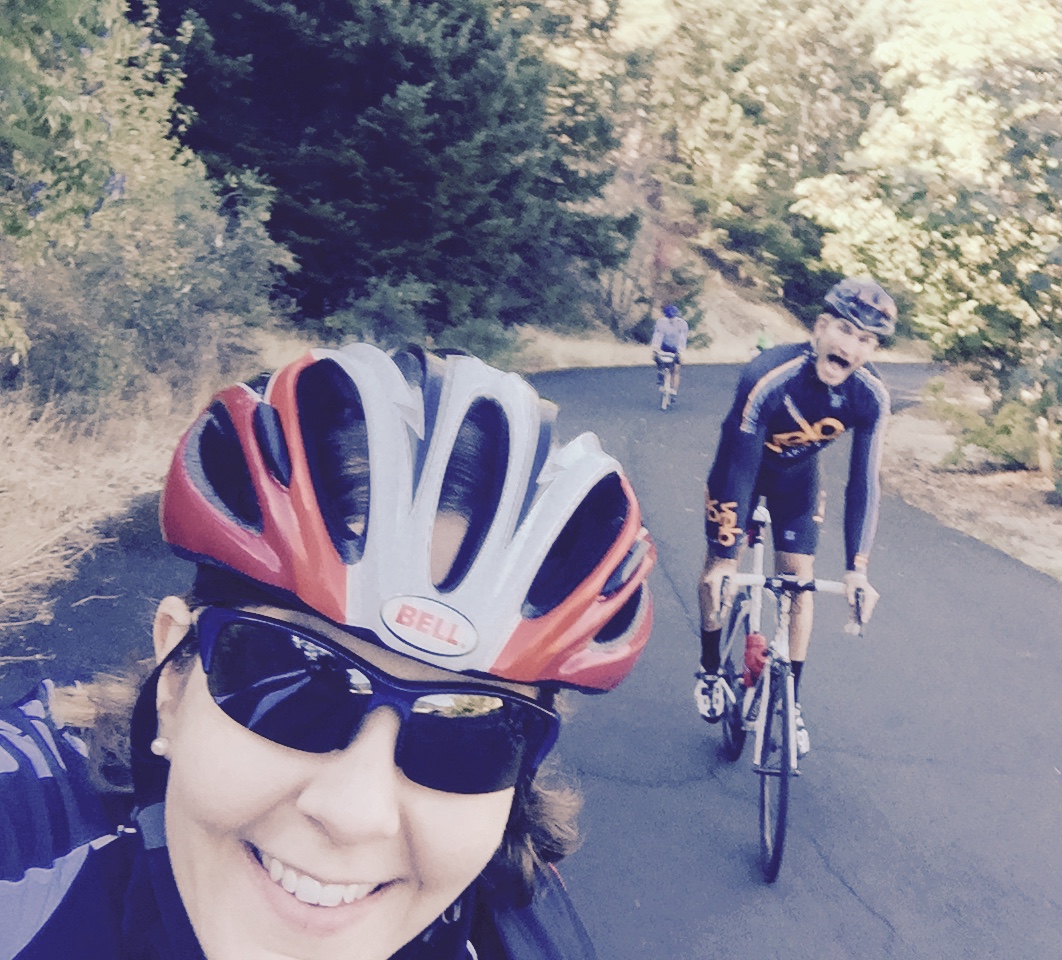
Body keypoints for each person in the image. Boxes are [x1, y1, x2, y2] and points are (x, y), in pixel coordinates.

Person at [1, 343, 656, 960]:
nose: (355, 815)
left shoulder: (514, 927)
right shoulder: (28, 828)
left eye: (470, 734)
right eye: (296, 681)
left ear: (516, 787)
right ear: (172, 685)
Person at [694, 278, 894, 755]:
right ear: (821, 328)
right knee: (717, 575)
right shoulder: (769, 375)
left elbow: (864, 482)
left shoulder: (870, 396)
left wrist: (857, 571)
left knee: (798, 582)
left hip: (797, 481)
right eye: (845, 330)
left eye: (866, 340)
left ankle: (791, 701)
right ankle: (708, 668)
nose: (851, 346)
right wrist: (726, 557)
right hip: (740, 471)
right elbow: (742, 465)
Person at [650, 304, 689, 399]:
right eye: (669, 316)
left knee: (676, 369)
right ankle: (660, 373)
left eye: (672, 316)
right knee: (656, 358)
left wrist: (681, 350)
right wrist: (655, 348)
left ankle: (674, 391)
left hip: (676, 348)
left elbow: (682, 338)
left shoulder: (682, 324)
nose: (671, 318)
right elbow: (658, 335)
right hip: (664, 346)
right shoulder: (661, 322)